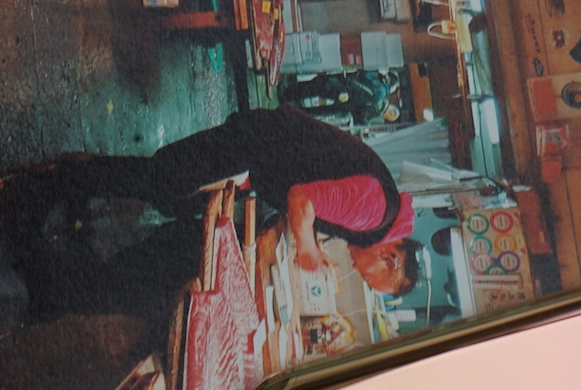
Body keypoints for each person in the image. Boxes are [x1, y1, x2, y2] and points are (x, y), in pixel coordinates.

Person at [32, 106, 423, 296]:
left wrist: (308, 237)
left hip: (257, 155)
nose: (359, 272)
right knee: (161, 180)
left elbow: (317, 189)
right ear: (390, 258)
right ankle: (53, 182)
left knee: (171, 194)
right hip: (253, 146)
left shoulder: (379, 217)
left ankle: (78, 178)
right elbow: (302, 197)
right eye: (370, 279)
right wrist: (306, 247)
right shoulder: (375, 213)